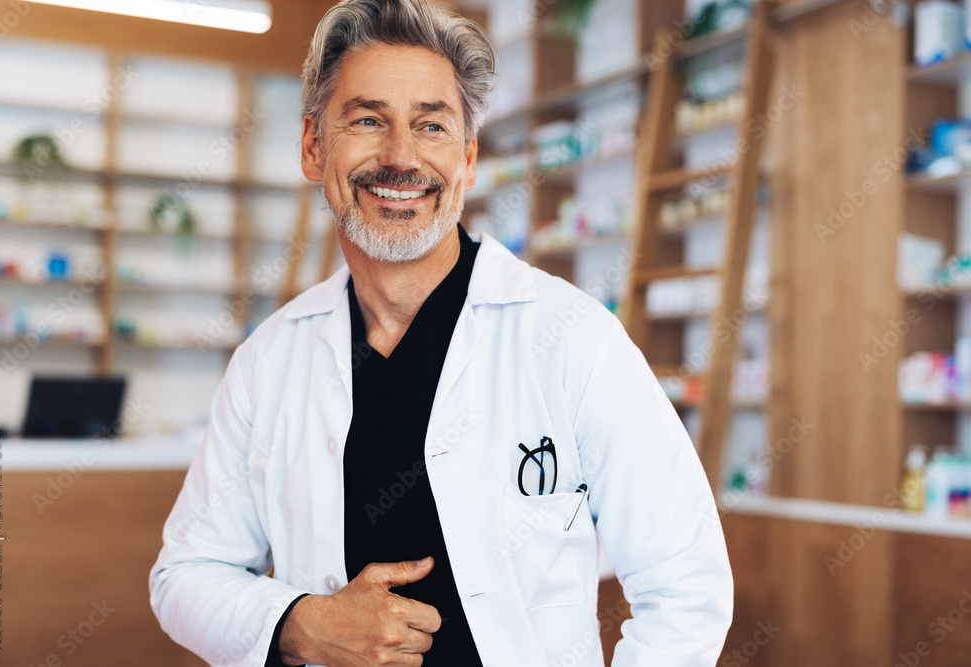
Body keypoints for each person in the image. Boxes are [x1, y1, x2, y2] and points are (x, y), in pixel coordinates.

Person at [149, 0, 733, 665]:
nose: (401, 156)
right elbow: (184, 575)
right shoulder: (269, 361)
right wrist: (300, 622)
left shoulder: (572, 340)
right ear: (314, 146)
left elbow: (685, 583)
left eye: (431, 125)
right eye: (368, 120)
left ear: (468, 157)